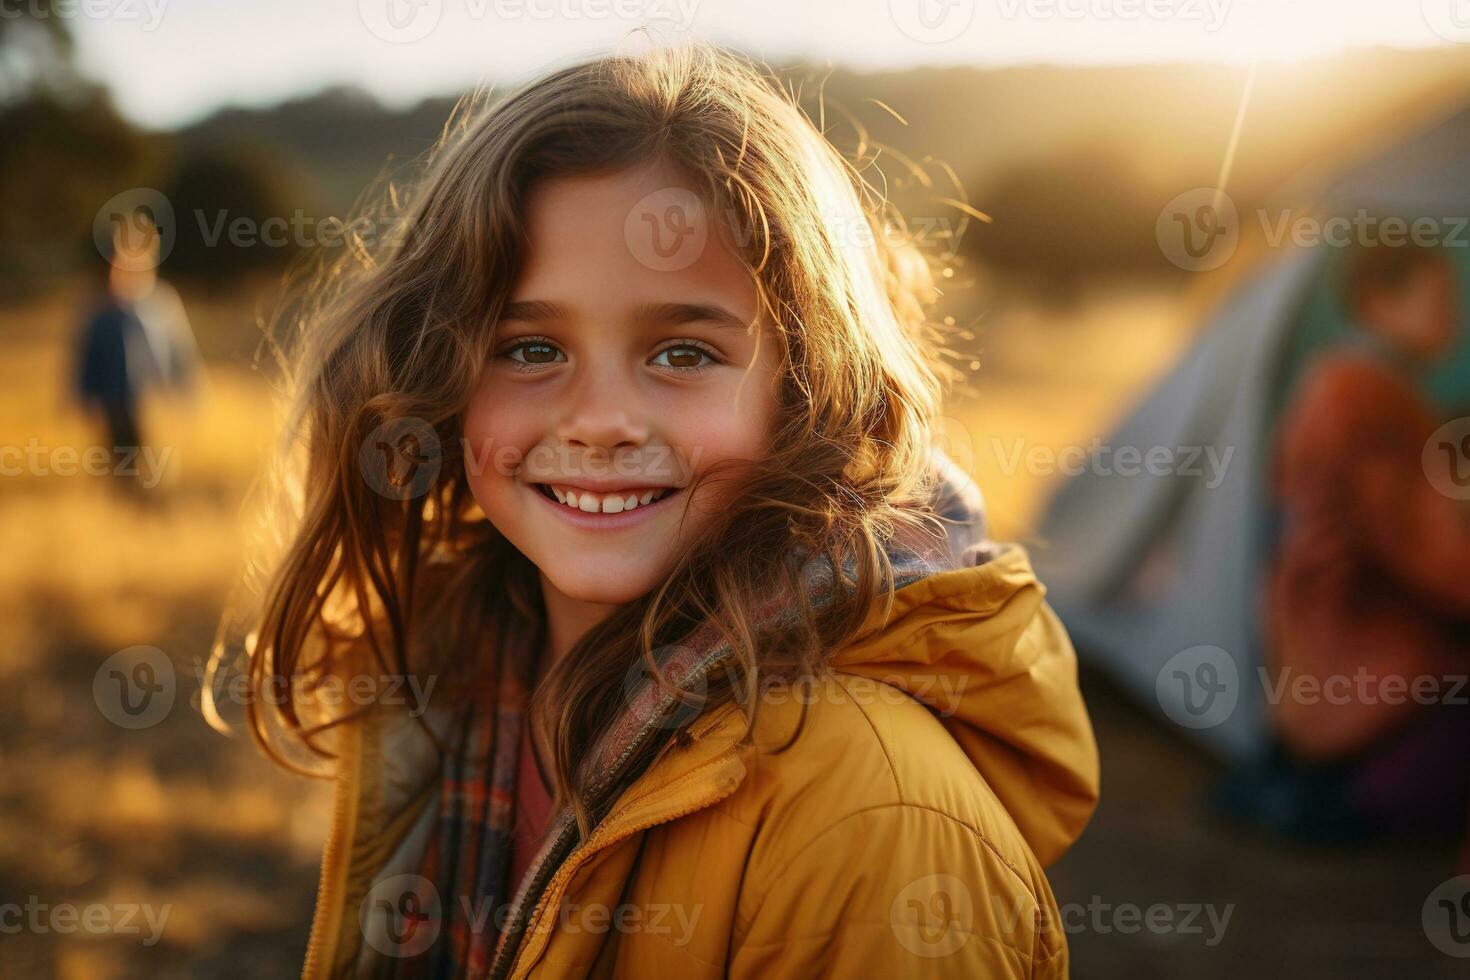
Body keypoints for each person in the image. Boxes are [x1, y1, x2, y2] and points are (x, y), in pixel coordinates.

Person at [230, 45, 1098, 978]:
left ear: (807, 392)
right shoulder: (464, 675)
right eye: (527, 348)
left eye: (684, 354)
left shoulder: (876, 819)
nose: (600, 422)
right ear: (439, 372)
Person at [1235, 242, 1470, 842]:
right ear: (1376, 304)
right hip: (1358, 648)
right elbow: (1436, 559)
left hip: (1315, 640)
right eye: (1436, 300)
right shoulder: (1365, 395)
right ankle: (1345, 804)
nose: (1452, 317)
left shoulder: (1339, 380)